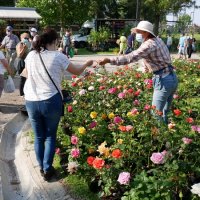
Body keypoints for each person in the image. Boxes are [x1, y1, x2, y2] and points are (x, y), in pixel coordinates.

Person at [23, 28, 93, 181]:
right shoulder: (58, 56)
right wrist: (87, 63)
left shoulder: (31, 55)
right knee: (49, 136)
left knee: (39, 136)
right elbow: (76, 72)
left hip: (31, 100)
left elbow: (26, 74)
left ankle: (41, 167)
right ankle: (48, 169)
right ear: (54, 41)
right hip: (50, 99)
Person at [98, 21, 178, 124]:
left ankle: (162, 138)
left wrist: (108, 60)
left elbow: (130, 57)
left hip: (163, 80)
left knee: (155, 113)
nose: (137, 34)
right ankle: (168, 134)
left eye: (139, 32)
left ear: (146, 33)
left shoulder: (148, 45)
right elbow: (159, 58)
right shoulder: (158, 40)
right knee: (164, 112)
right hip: (172, 77)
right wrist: (148, 65)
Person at [15, 32, 31, 97]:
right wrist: (24, 48)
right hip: (22, 62)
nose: (27, 39)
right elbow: (19, 55)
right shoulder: (20, 44)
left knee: (28, 78)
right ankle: (22, 93)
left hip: (27, 62)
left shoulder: (29, 43)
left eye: (28, 38)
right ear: (21, 38)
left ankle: (26, 92)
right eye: (25, 38)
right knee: (23, 79)